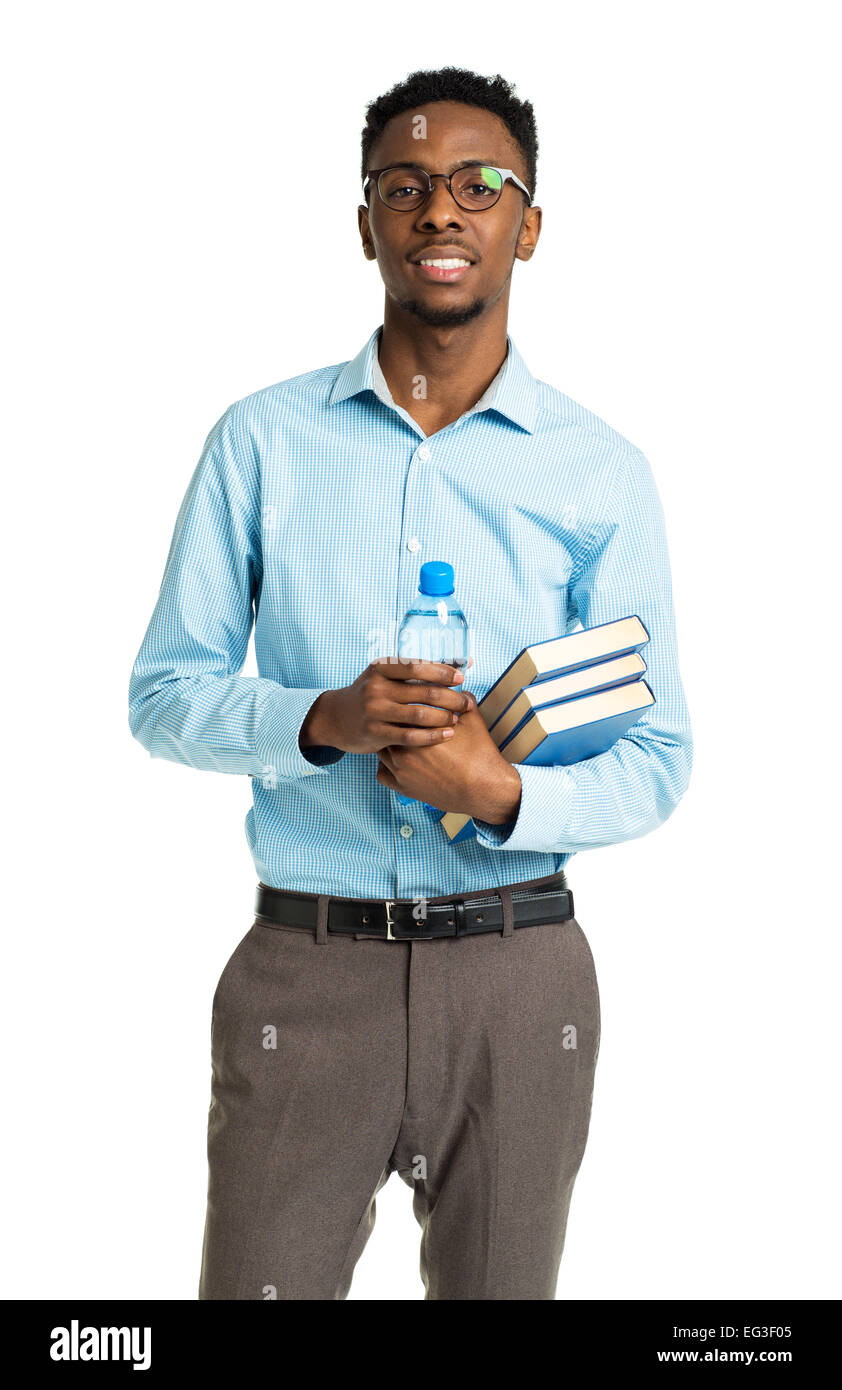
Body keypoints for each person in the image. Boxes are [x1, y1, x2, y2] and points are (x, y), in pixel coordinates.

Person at [128, 66, 693, 1301]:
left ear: (527, 224)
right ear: (367, 224)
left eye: (479, 185)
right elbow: (163, 693)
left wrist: (500, 793)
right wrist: (318, 720)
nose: (442, 211)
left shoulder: (599, 474)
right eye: (406, 186)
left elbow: (659, 760)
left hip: (517, 973)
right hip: (305, 970)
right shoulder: (261, 441)